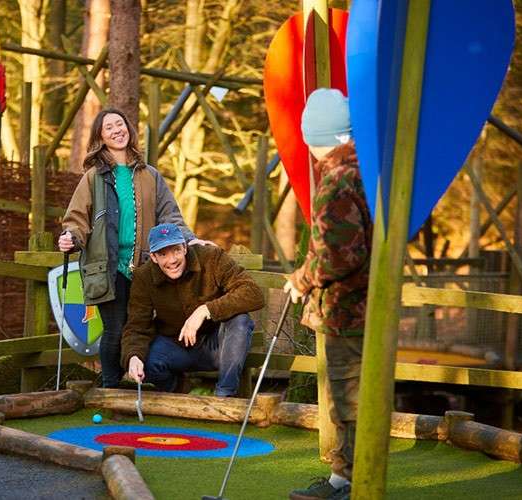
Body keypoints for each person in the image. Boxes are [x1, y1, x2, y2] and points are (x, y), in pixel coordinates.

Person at [59, 108, 210, 388]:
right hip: (107, 267)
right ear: (101, 138)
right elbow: (76, 219)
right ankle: (110, 389)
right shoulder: (93, 177)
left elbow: (170, 215)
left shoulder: (150, 175)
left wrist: (189, 239)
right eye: (108, 127)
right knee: (115, 329)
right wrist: (71, 238)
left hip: (144, 267)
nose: (117, 130)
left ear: (128, 129)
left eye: (120, 124)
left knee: (141, 328)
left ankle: (143, 385)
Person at [284, 88, 373, 500]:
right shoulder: (365, 168)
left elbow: (340, 255)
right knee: (351, 395)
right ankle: (347, 479)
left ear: (317, 135)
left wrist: (302, 279)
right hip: (362, 307)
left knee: (347, 397)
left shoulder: (337, 180)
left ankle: (348, 484)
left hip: (347, 309)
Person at [121, 223, 265, 397]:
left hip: (218, 345)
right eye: (163, 254)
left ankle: (224, 395)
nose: (172, 260)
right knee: (146, 360)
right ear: (153, 257)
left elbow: (253, 293)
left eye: (176, 250)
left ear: (185, 247)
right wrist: (133, 356)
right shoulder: (144, 277)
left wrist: (206, 310)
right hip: (175, 346)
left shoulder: (211, 257)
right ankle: (179, 392)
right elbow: (137, 326)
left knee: (241, 321)